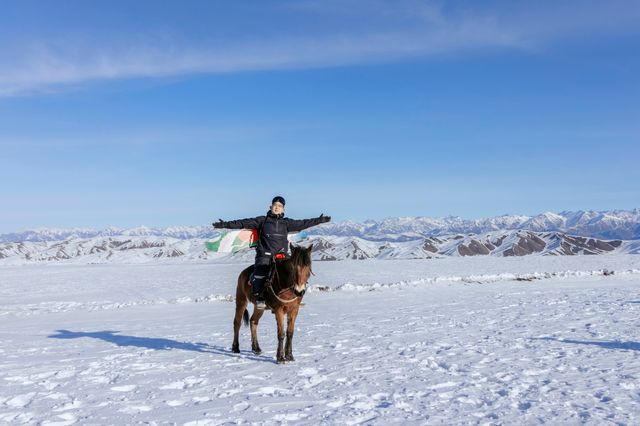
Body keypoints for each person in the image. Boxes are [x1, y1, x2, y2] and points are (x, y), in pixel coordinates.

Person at [213, 196, 330, 309]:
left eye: (280, 206)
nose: (277, 207)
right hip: (265, 255)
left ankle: (295, 298)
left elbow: (304, 223)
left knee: (297, 272)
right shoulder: (262, 221)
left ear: (283, 209)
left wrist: (320, 220)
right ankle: (260, 298)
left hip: (282, 256)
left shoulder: (286, 223)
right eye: (275, 205)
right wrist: (225, 224)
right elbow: (243, 222)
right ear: (270, 206)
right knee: (260, 273)